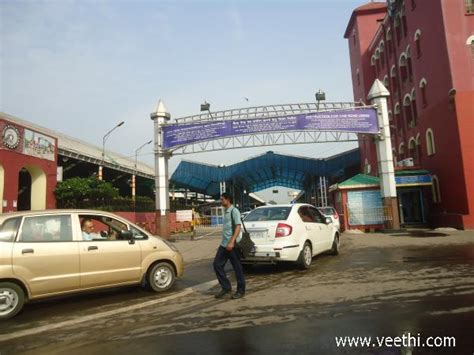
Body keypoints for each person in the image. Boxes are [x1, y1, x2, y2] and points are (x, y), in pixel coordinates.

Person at [213, 192, 246, 300]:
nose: (221, 201)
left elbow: (238, 226)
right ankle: (226, 287)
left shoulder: (234, 211)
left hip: (233, 244)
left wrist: (232, 242)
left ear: (228, 200)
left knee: (237, 268)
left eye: (222, 199)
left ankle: (241, 291)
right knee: (217, 264)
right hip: (224, 244)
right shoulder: (226, 211)